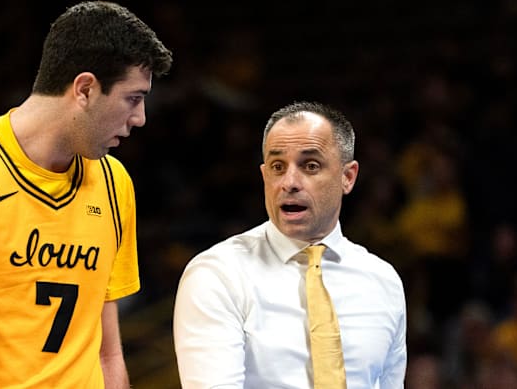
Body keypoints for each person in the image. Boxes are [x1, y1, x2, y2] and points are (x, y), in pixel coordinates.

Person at [0, 1, 172, 388]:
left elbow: (107, 353)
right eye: (133, 98)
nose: (139, 117)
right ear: (86, 89)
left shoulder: (113, 182)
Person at [173, 101, 407, 388]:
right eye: (277, 167)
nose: (290, 182)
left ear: (348, 177)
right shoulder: (218, 274)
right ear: (263, 176)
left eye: (310, 165)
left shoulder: (384, 281)